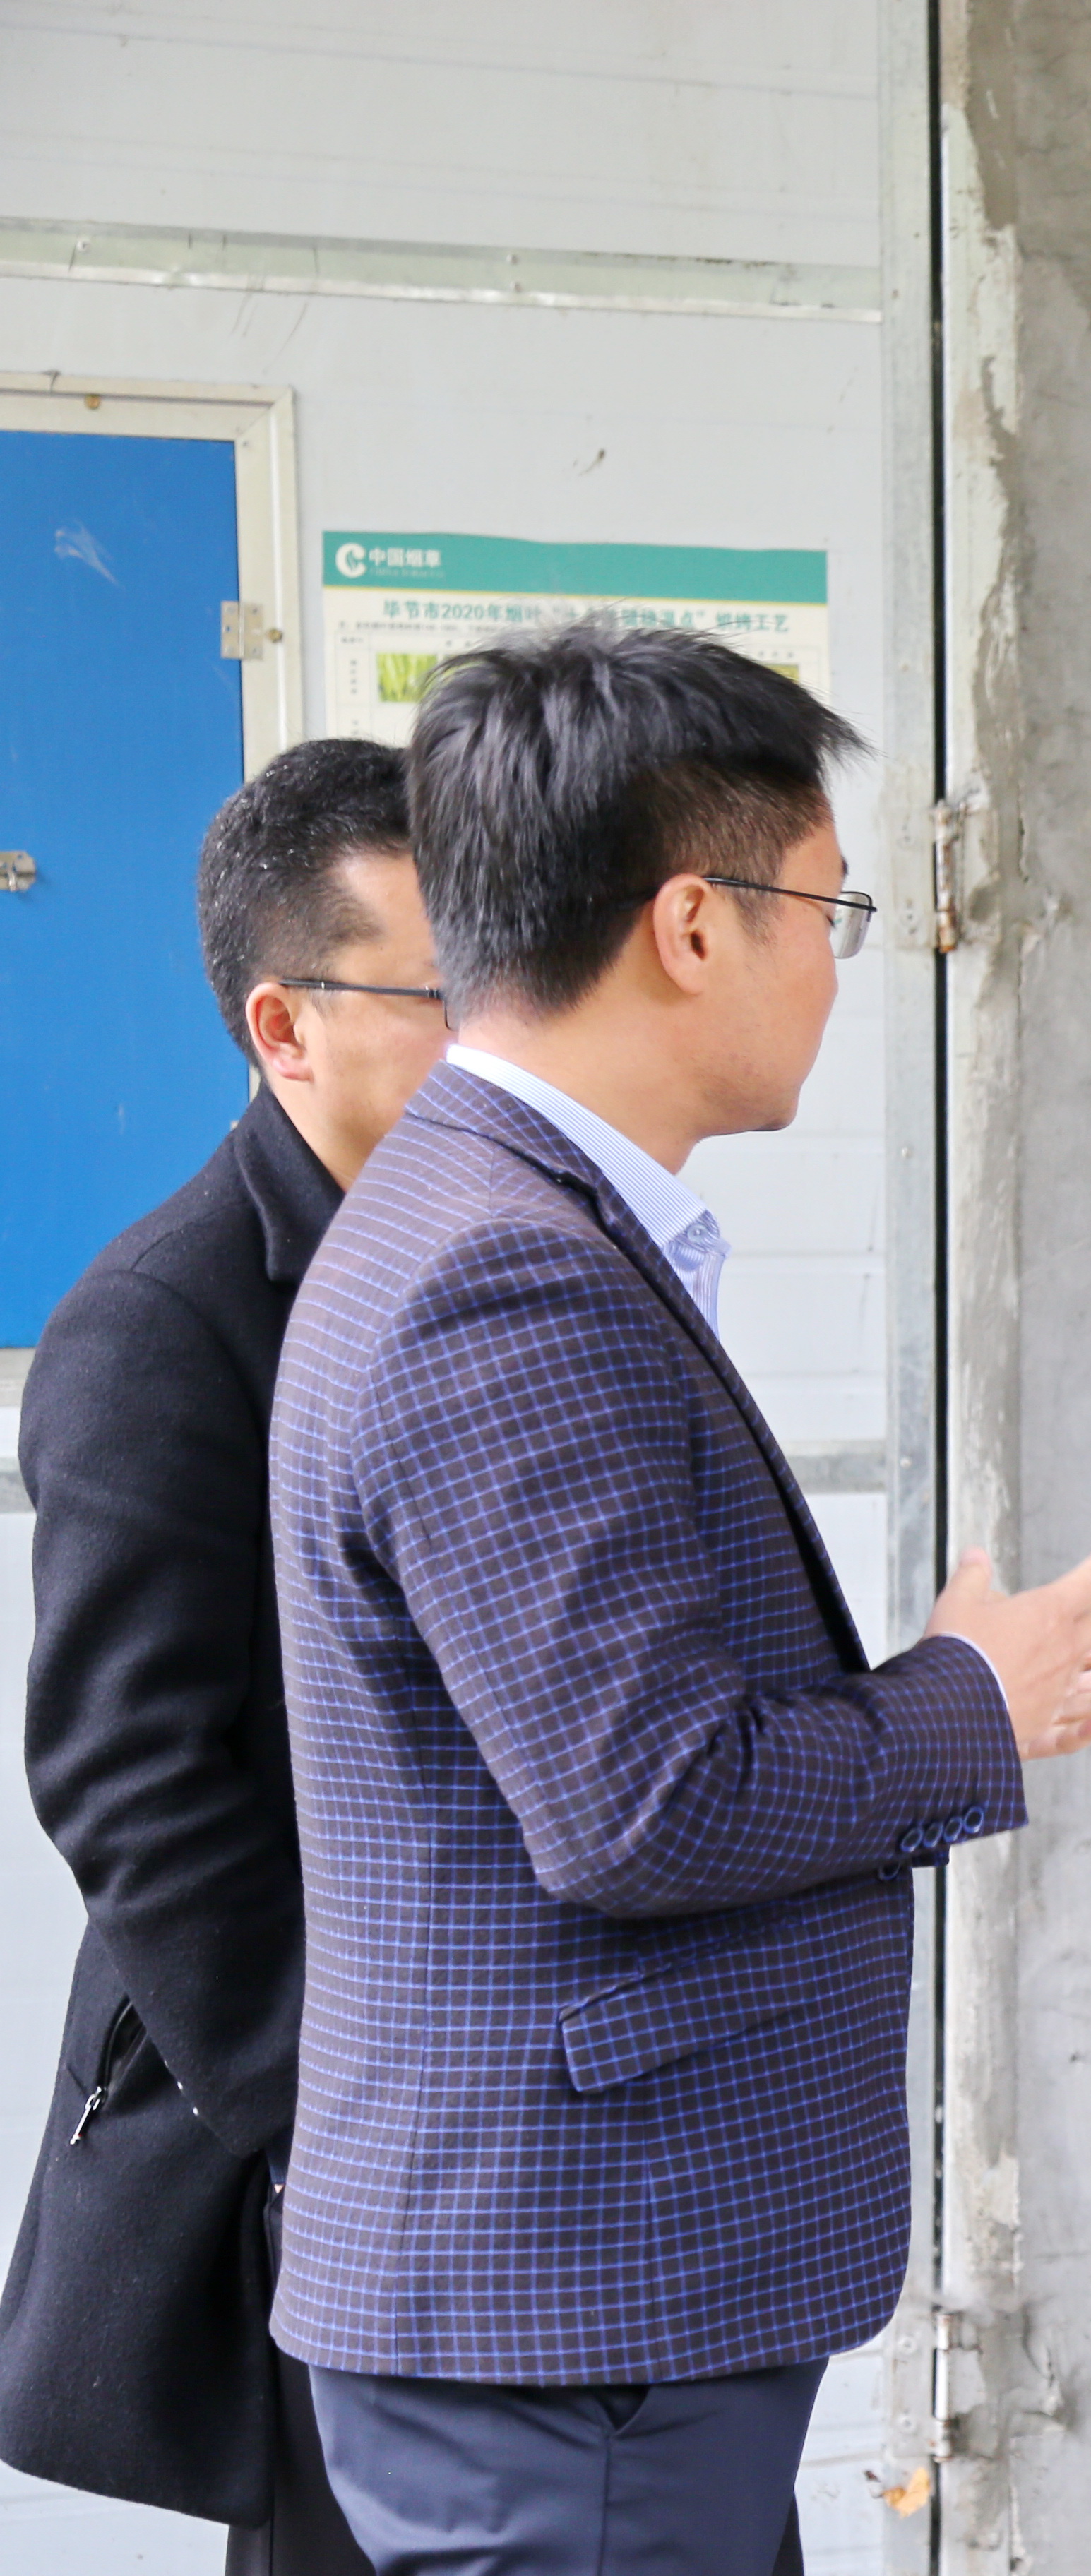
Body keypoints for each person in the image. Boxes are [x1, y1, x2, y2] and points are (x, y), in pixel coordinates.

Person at [265, 624, 1091, 2575]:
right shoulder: (504, 1273)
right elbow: (645, 1806)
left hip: (594, 2300)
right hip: (572, 2305)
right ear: (694, 924)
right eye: (830, 912)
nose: (838, 968)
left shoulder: (484, 1211)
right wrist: (972, 1696)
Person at [0, 741, 446, 2575]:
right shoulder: (160, 1323)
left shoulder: (490, 1255)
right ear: (286, 1028)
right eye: (448, 995)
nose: (508, 1038)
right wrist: (337, 2129)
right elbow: (130, 1779)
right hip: (342, 2172)